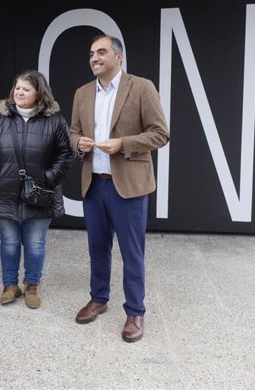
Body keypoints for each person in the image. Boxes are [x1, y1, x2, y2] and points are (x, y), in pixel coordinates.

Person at [69, 35, 169, 343]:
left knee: (131, 252)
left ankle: (135, 311)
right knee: (97, 247)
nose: (94, 57)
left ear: (118, 58)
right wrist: (78, 143)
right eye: (91, 53)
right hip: (94, 185)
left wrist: (123, 144)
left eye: (101, 52)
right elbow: (73, 132)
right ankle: (99, 298)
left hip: (128, 186)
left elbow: (160, 134)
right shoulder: (82, 93)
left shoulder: (141, 87)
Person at [0, 70, 73, 309]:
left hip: (40, 194)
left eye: (26, 89)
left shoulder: (55, 120)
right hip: (5, 193)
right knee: (8, 242)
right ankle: (10, 286)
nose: (19, 92)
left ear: (39, 93)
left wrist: (50, 177)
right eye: (17, 88)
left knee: (36, 243)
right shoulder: (1, 118)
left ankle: (32, 286)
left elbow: (66, 153)